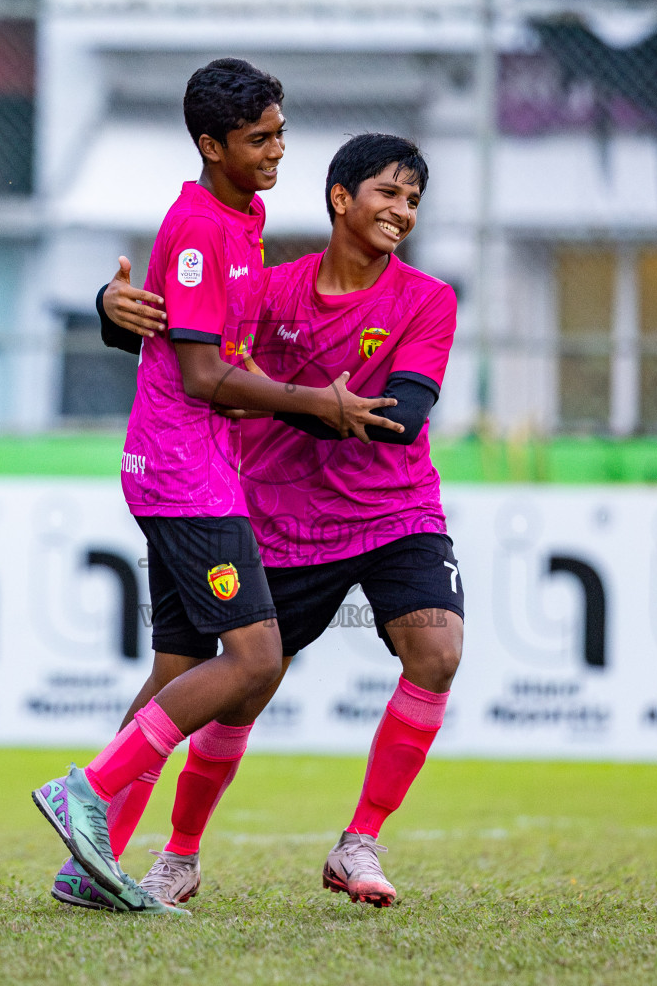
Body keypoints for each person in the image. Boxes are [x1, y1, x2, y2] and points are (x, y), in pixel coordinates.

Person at [30, 61, 402, 917]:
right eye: (259, 138)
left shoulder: (248, 214)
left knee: (177, 669)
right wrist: (316, 402)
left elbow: (193, 337)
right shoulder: (199, 229)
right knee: (255, 658)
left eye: (280, 133)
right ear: (210, 145)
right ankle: (85, 787)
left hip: (195, 468)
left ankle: (92, 862)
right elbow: (201, 374)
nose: (278, 151)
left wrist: (114, 306)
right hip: (183, 472)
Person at [75, 133, 463, 911]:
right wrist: (112, 313)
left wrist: (293, 402)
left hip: (397, 510)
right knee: (242, 689)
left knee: (438, 649)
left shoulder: (428, 300)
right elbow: (191, 345)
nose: (403, 211)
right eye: (389, 193)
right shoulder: (270, 291)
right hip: (281, 518)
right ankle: (177, 857)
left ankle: (360, 840)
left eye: (414, 199)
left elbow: (405, 416)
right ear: (340, 198)